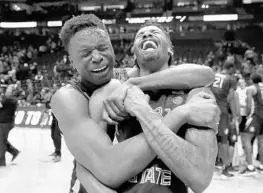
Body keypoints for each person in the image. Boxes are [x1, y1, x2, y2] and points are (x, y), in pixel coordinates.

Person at [51, 14, 219, 193]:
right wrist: (178, 115)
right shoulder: (71, 96)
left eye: (103, 48)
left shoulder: (123, 80)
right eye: (85, 53)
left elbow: (206, 74)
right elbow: (103, 167)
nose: (97, 57)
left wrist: (134, 84)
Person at [211, 61, 239, 179]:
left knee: (211, 138)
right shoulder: (231, 79)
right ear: (231, 68)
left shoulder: (213, 74)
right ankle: (225, 169)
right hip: (222, 111)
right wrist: (235, 116)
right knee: (224, 140)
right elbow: (231, 98)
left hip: (210, 108)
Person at [242, 73, 263, 174]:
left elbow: (249, 103)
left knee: (246, 139)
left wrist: (247, 115)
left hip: (256, 116)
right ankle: (261, 165)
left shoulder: (251, 88)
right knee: (261, 141)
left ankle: (250, 166)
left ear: (251, 79)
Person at [0, 85, 20, 167]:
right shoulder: (7, 98)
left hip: (5, 123)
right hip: (4, 122)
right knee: (2, 140)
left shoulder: (10, 99)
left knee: (1, 142)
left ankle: (1, 162)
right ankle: (13, 151)